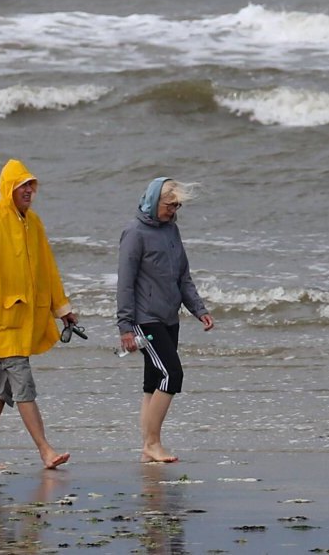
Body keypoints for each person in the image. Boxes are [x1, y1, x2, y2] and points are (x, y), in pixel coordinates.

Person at [0, 159, 79, 470]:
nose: (28, 191)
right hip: (4, 318)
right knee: (22, 381)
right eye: (23, 185)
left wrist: (62, 309)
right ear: (8, 188)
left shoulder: (34, 222)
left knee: (2, 386)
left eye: (31, 185)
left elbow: (48, 269)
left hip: (30, 317)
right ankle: (45, 450)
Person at [116, 177, 215, 463]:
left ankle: (148, 447)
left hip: (169, 317)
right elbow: (125, 283)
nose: (174, 211)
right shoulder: (134, 232)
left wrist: (199, 309)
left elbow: (183, 276)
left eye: (177, 206)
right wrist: (125, 326)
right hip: (144, 319)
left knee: (153, 381)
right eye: (170, 205)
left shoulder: (171, 230)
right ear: (153, 200)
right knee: (172, 374)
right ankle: (153, 443)